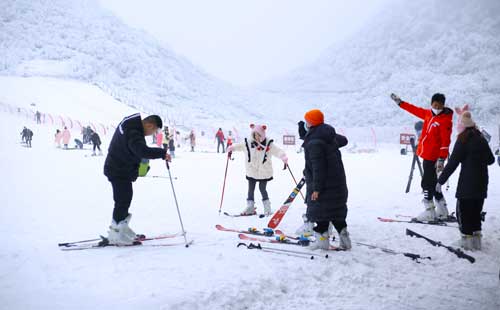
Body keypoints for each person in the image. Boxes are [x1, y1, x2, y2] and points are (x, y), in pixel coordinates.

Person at [103, 113, 171, 245]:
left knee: (125, 199)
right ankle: (116, 234)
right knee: (122, 200)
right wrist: (162, 153)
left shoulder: (131, 123)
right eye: (153, 131)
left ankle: (121, 228)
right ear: (149, 125)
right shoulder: (134, 132)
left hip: (119, 168)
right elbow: (142, 151)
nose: (152, 134)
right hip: (118, 169)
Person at [436, 112, 495, 251]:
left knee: (464, 213)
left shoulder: (462, 140)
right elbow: (491, 160)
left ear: (462, 127)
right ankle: (477, 242)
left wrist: (440, 181)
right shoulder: (481, 139)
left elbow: (452, 163)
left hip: (467, 184)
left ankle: (466, 242)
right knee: (475, 212)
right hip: (482, 183)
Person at [391, 93, 453, 221]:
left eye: (439, 106)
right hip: (426, 154)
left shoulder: (445, 120)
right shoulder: (428, 114)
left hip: (434, 157)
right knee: (434, 184)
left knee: (426, 183)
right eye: (435, 105)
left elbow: (445, 142)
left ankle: (429, 211)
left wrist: (441, 159)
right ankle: (442, 210)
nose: (437, 107)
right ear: (431, 104)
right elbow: (413, 109)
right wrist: (400, 103)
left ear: (443, 105)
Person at [300, 109, 351, 250]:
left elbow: (318, 168)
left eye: (307, 121)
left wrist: (316, 189)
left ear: (310, 123)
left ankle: (322, 243)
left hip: (324, 186)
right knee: (336, 214)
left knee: (321, 215)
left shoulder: (314, 143)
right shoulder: (328, 135)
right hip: (337, 183)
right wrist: (308, 135)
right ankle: (345, 240)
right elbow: (343, 140)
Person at [227, 124, 288, 216]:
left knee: (262, 189)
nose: (257, 137)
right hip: (251, 170)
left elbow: (277, 151)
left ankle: (267, 208)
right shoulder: (248, 142)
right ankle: (250, 207)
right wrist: (232, 148)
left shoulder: (268, 144)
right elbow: (239, 146)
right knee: (250, 189)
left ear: (263, 135)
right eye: (255, 135)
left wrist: (283, 156)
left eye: (259, 135)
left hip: (264, 172)